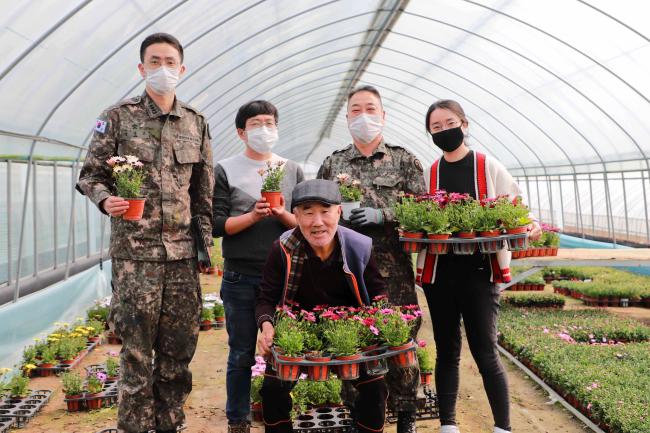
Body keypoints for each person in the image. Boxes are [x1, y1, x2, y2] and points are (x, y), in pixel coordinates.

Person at [76, 33, 213, 433]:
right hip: (136, 257)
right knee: (136, 355)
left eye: (170, 62)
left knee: (178, 353)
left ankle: (171, 424)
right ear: (141, 68)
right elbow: (91, 175)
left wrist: (204, 252)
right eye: (154, 61)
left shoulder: (196, 122)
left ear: (182, 69)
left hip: (182, 258)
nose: (163, 69)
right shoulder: (116, 117)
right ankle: (134, 428)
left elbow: (203, 195)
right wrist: (105, 200)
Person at [416, 99, 542, 433]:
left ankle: (502, 427)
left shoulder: (488, 166)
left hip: (479, 273)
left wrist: (528, 223)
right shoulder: (429, 173)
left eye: (450, 123)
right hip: (439, 275)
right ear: (429, 132)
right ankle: (448, 425)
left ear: (464, 124)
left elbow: (516, 206)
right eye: (436, 127)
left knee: (485, 350)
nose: (445, 131)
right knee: (447, 349)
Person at [317, 85, 426, 432]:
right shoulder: (333, 163)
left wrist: (385, 215)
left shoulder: (404, 159)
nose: (363, 116)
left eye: (371, 109)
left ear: (383, 115)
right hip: (346, 269)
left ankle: (406, 414)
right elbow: (317, 211)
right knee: (350, 341)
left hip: (392, 268)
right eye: (356, 110)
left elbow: (424, 210)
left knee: (400, 340)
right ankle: (355, 412)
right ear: (347, 117)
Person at [255, 179, 388, 433]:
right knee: (272, 391)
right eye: (308, 213)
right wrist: (267, 325)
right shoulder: (283, 249)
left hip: (350, 333)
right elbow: (266, 298)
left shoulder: (358, 247)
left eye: (325, 211)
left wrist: (382, 320)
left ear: (339, 212)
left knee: (375, 388)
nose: (317, 222)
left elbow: (377, 291)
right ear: (295, 215)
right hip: (298, 331)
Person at [212, 100, 304, 433]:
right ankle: (238, 420)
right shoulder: (225, 169)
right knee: (241, 353)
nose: (264, 129)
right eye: (255, 123)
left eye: (269, 122)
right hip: (239, 275)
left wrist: (280, 214)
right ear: (241, 131)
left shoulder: (290, 169)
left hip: (284, 276)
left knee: (282, 351)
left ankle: (277, 416)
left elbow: (304, 224)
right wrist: (253, 215)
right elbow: (217, 224)